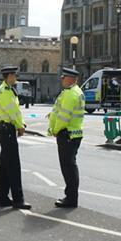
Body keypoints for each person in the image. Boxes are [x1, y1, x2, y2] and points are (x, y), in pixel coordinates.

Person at [0, 65, 31, 210]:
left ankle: (3, 198)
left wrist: (20, 124)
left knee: (5, 166)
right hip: (7, 130)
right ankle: (18, 199)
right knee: (14, 166)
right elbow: (13, 112)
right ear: (9, 76)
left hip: (6, 130)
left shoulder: (7, 90)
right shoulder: (5, 91)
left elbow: (14, 111)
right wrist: (20, 126)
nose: (16, 77)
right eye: (15, 75)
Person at [48, 66, 85, 208]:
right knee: (70, 166)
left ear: (70, 79)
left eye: (63, 77)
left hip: (67, 134)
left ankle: (71, 198)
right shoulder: (76, 91)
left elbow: (64, 116)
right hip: (73, 134)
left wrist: (55, 130)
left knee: (68, 167)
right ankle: (71, 197)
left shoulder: (70, 94)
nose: (61, 79)